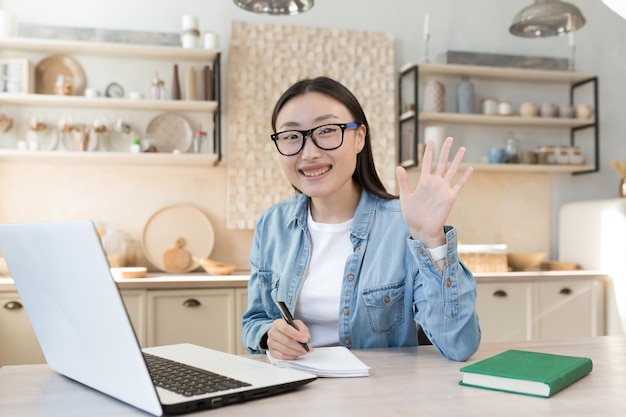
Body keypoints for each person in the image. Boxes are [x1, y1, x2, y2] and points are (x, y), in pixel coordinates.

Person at [241, 76, 480, 362]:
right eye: (291, 136)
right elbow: (254, 321)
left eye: (327, 130)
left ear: (359, 137)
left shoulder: (404, 225)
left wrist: (431, 239)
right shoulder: (272, 225)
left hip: (379, 398)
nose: (309, 152)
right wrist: (270, 335)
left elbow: (460, 345)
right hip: (293, 393)